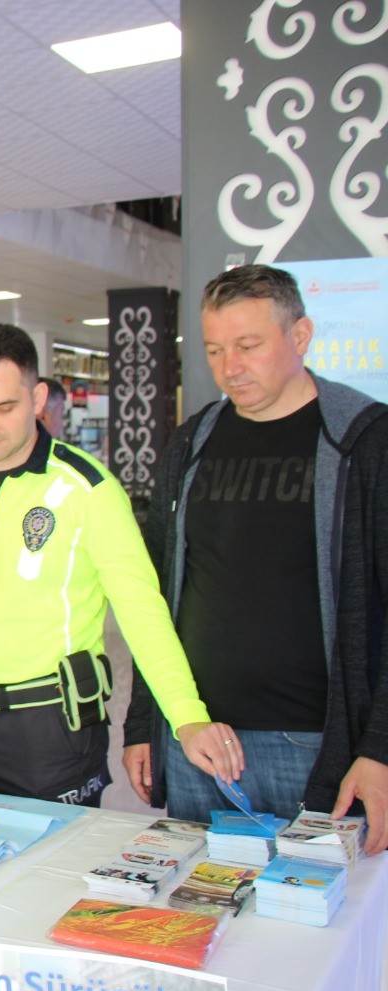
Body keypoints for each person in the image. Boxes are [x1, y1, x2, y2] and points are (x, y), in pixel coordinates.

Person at [124, 264, 388, 853]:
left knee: (309, 929)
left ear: (300, 337)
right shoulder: (191, 444)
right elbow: (156, 599)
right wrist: (147, 721)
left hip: (314, 745)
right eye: (215, 350)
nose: (230, 368)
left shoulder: (364, 443)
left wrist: (378, 750)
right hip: (196, 741)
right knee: (199, 917)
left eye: (248, 346)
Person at [0, 324, 239, 806]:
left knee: (49, 874)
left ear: (38, 398)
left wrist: (186, 714)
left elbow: (141, 610)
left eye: (4, 408)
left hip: (50, 730)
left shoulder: (87, 489)